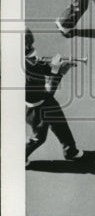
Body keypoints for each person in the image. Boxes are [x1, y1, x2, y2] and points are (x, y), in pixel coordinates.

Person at [25, 28, 84, 162]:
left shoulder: (24, 57)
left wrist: (53, 66)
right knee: (39, 137)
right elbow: (47, 91)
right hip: (37, 107)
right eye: (28, 47)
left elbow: (38, 65)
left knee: (61, 125)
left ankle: (71, 151)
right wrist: (58, 71)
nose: (31, 50)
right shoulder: (25, 72)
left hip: (43, 102)